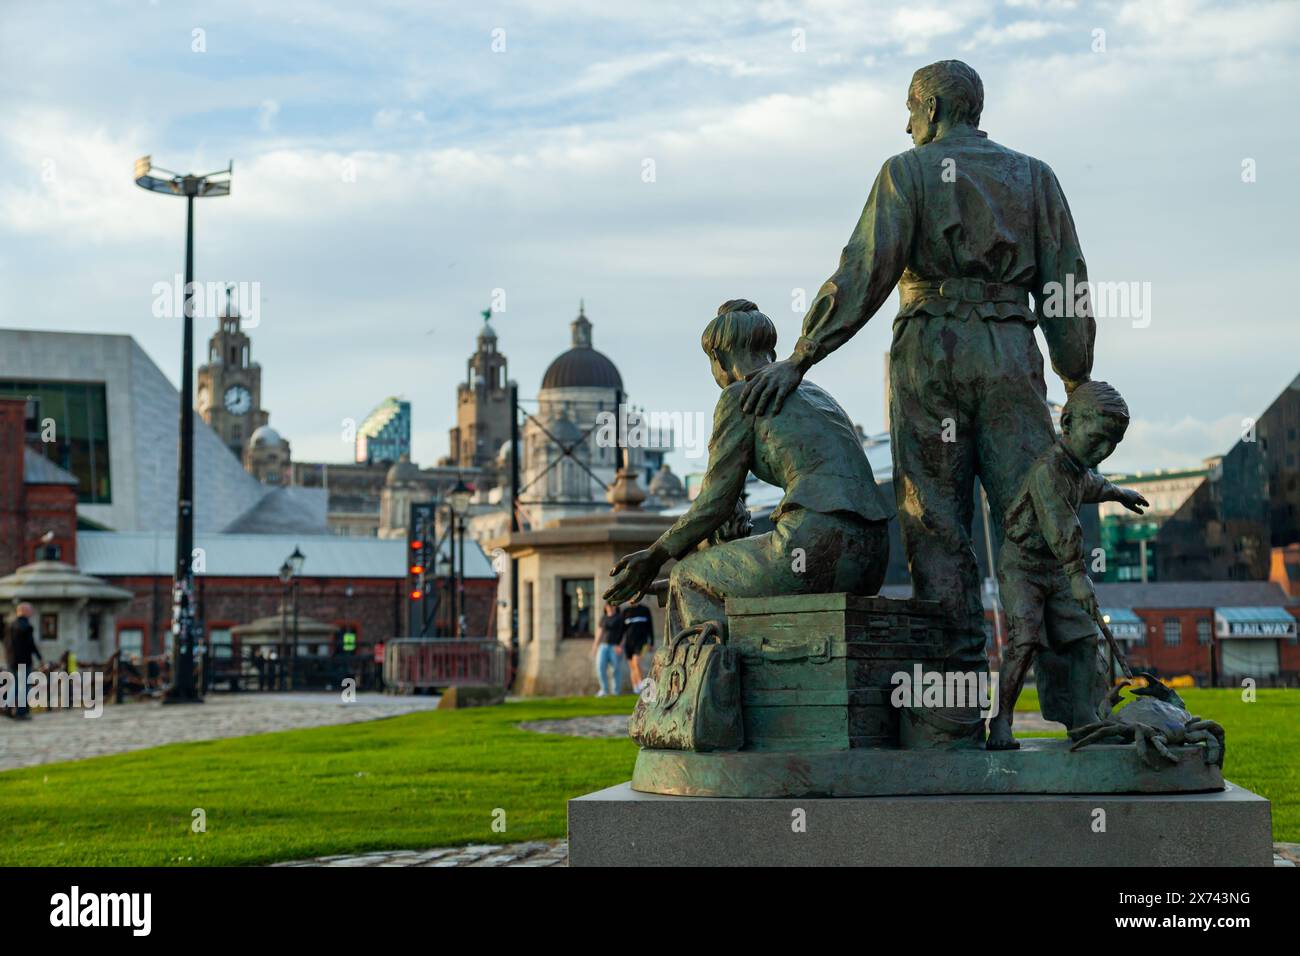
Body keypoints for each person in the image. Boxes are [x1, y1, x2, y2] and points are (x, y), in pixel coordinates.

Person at [740, 60, 1096, 674]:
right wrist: (1077, 376)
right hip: (1012, 355)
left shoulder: (905, 172)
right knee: (1036, 517)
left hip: (931, 354)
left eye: (910, 112)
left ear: (930, 110)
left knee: (933, 517)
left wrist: (801, 356)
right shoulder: (1035, 177)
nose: (907, 128)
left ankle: (954, 702)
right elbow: (1068, 286)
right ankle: (1082, 699)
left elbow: (863, 273)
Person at [605, 299, 892, 633]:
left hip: (814, 545)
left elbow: (715, 502)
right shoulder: (813, 392)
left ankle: (708, 683)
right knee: (697, 576)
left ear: (719, 358)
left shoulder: (740, 394)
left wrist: (654, 558)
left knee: (687, 576)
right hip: (871, 556)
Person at [986, 382, 1148, 749]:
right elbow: (1062, 527)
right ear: (1068, 424)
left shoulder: (1077, 469)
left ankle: (1082, 717)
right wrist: (1078, 576)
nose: (1103, 451)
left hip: (1057, 569)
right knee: (1023, 639)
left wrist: (1120, 494)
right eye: (1097, 440)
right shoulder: (1049, 471)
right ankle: (1001, 722)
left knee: (1085, 638)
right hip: (1024, 566)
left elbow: (1093, 485)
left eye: (1112, 444)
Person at [8, 604, 41, 719]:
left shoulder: (10, 625)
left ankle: (9, 709)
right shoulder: (27, 626)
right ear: (24, 611)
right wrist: (39, 657)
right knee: (23, 687)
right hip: (24, 661)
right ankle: (21, 712)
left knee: (14, 686)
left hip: (12, 661)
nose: (31, 613)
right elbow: (31, 645)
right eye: (30, 611)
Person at [591, 602, 626, 697]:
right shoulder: (604, 618)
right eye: (608, 606)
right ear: (605, 607)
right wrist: (595, 646)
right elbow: (599, 633)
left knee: (615, 669)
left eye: (611, 605)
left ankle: (616, 692)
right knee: (600, 668)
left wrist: (620, 646)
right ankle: (604, 690)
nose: (610, 607)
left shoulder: (620, 617)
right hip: (603, 647)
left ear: (615, 606)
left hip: (615, 646)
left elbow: (624, 634)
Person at [620, 599, 654, 692]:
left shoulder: (645, 610)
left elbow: (650, 627)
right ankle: (636, 689)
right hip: (629, 644)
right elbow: (622, 630)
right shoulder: (625, 612)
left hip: (642, 642)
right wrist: (619, 644)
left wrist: (651, 643)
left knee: (637, 663)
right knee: (632, 667)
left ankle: (641, 684)